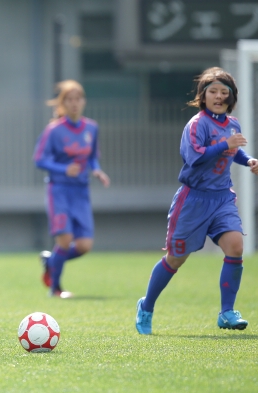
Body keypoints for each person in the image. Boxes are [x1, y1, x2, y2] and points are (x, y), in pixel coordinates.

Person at [136, 67, 257, 335]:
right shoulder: (197, 124)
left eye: (224, 92)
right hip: (193, 201)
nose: (219, 96)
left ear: (231, 97)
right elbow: (195, 157)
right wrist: (226, 145)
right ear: (203, 96)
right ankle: (146, 306)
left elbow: (234, 151)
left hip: (222, 198)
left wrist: (248, 160)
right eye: (213, 91)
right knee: (175, 259)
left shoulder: (233, 124)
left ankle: (227, 312)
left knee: (235, 246)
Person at [33, 80, 110, 298]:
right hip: (59, 190)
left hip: (81, 191)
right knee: (65, 240)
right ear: (62, 103)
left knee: (84, 245)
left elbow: (92, 157)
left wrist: (97, 170)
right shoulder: (53, 130)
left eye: (78, 99)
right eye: (69, 99)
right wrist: (64, 169)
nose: (74, 103)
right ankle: (55, 289)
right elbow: (39, 159)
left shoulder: (91, 128)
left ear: (83, 101)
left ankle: (51, 261)